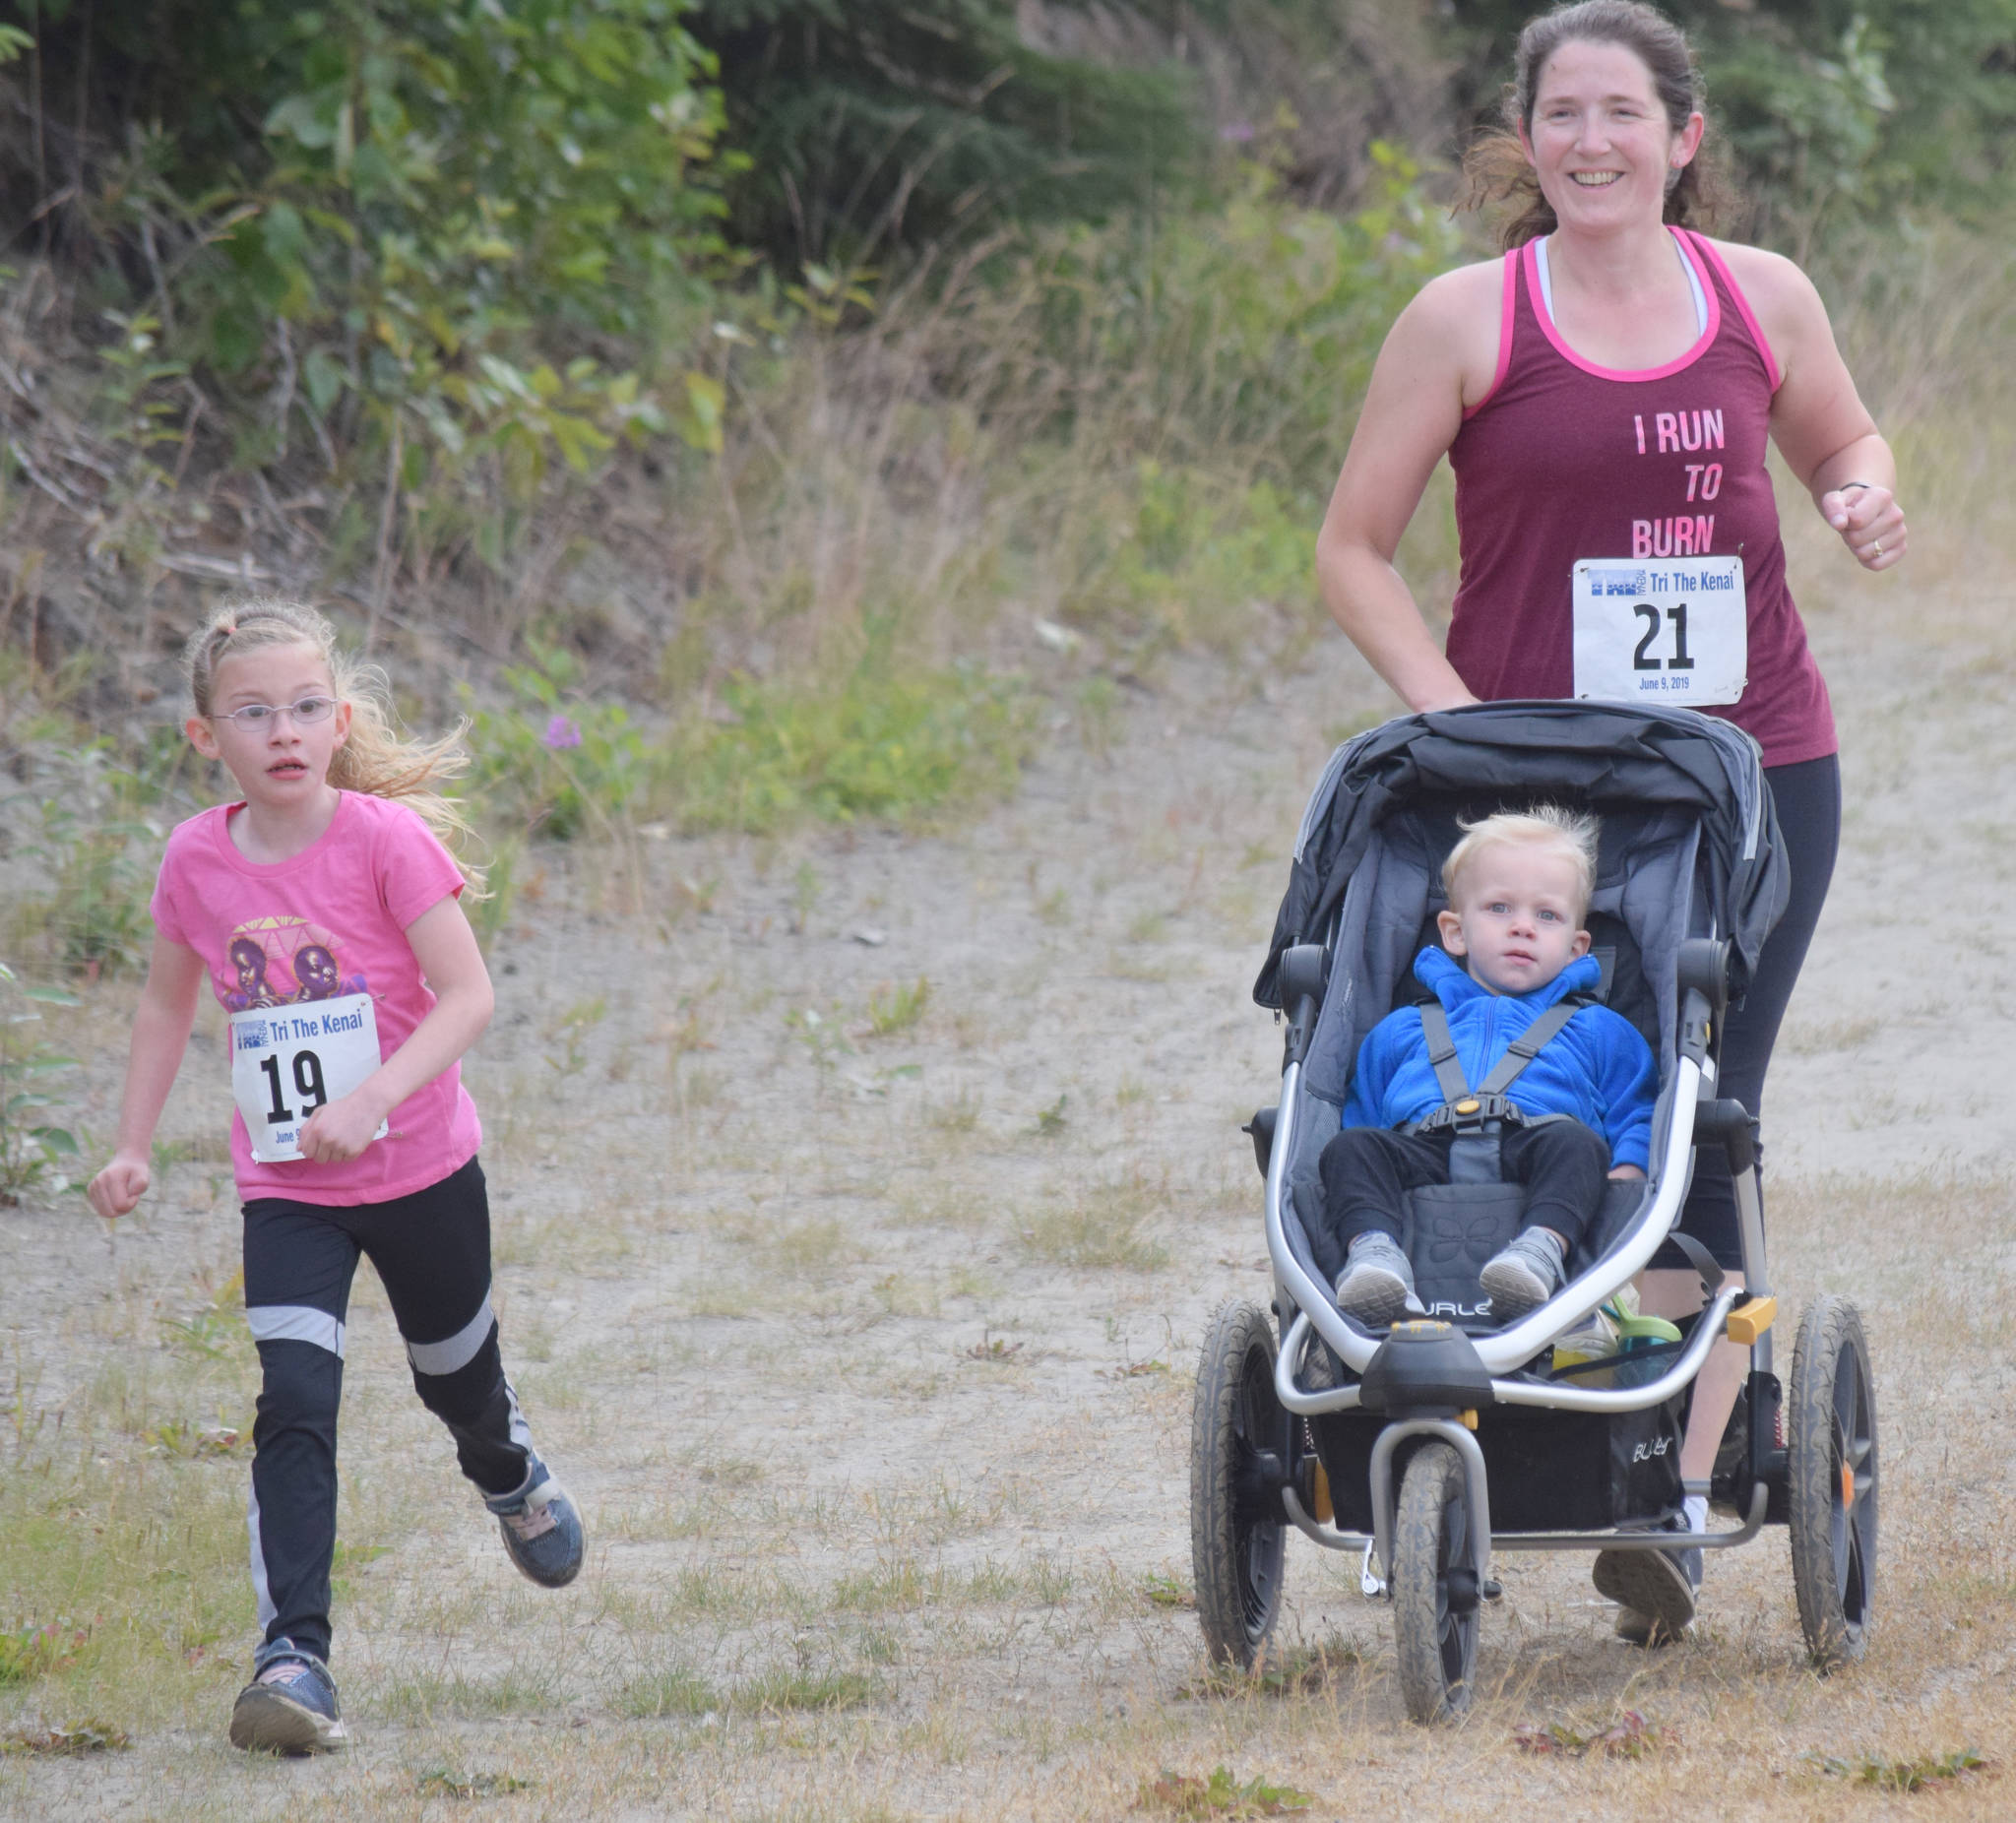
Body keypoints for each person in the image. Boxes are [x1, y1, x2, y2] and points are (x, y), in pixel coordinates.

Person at [1313, 0, 1904, 1645]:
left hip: (1748, 774)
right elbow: (1350, 545)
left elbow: (1837, 437)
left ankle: (1679, 1470)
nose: (1591, 142)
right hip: (1530, 797)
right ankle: (1513, 1387)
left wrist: (1858, 488)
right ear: (1527, 136)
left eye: (1621, 114)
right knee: (1514, 1080)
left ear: (1679, 137)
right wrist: (1450, 724)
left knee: (1705, 1096)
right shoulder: (1463, 318)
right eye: (1560, 114)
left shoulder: (1756, 296)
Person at [86, 599, 585, 1756]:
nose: (284, 730)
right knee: (295, 1403)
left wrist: (369, 1101)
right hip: (287, 1186)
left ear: (340, 718)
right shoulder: (194, 859)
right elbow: (167, 1002)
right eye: (253, 712)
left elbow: (469, 997)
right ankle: (293, 1659)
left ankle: (508, 1473)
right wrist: (131, 1144)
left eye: (306, 707)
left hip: (419, 1170)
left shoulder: (383, 840)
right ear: (207, 736)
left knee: (455, 1384)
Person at [1314, 808, 1655, 1327]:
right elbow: (1365, 1112)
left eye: (1548, 916)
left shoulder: (1602, 1031)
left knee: (1579, 1145)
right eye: (1499, 908)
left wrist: (1629, 1174)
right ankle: (1375, 1255)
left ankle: (1539, 1252)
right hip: (1422, 1152)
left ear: (1576, 948)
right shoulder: (1401, 1030)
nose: (1522, 926)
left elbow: (1639, 1110)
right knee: (1351, 1148)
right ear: (1454, 932)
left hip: (1538, 1152)